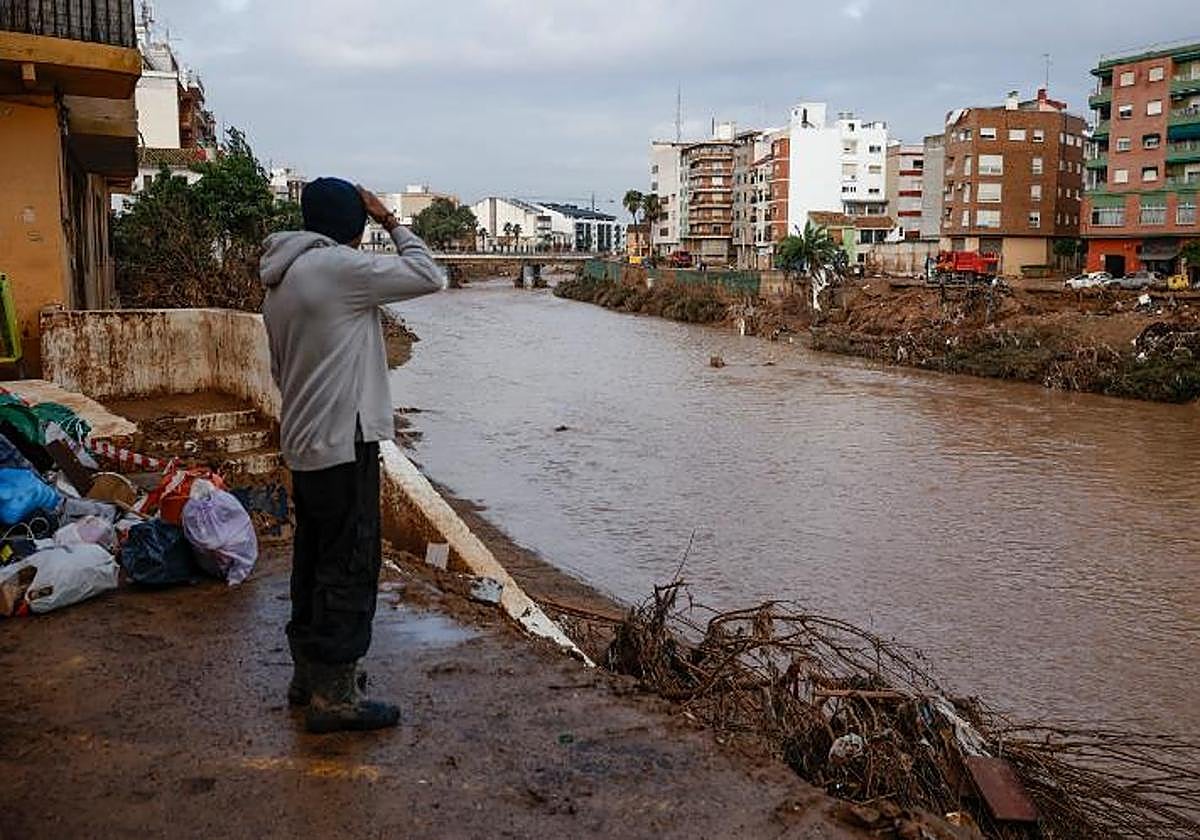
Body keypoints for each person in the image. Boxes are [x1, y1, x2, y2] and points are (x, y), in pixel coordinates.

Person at [259, 178, 445, 733]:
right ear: (351, 222)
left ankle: (307, 676)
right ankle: (335, 697)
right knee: (350, 562)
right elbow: (429, 275)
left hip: (305, 439)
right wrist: (391, 219)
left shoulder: (282, 279)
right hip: (345, 441)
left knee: (313, 560)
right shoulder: (337, 269)